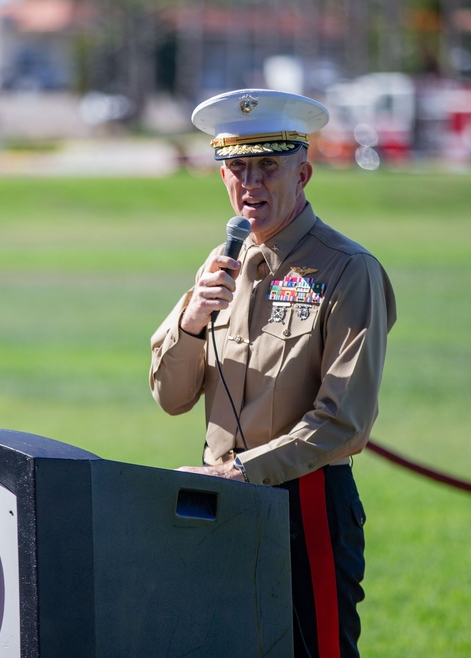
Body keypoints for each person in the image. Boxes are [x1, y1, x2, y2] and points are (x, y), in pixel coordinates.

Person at [149, 89, 397, 658]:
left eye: (268, 166)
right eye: (237, 167)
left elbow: (345, 423)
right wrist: (189, 322)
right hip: (219, 502)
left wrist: (243, 473)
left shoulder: (347, 270)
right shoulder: (221, 262)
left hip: (303, 505)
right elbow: (171, 396)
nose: (251, 184)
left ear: (303, 173)